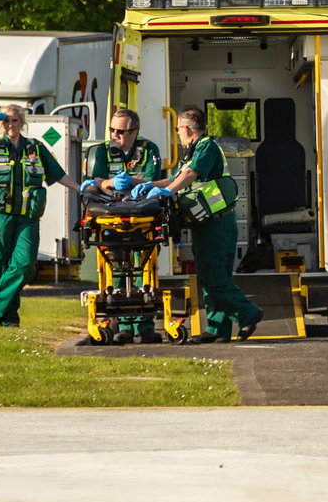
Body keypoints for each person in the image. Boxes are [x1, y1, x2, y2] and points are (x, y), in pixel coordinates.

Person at [132, 106, 262, 343]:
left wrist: (167, 192)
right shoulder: (192, 151)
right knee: (211, 276)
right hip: (207, 224)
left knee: (214, 278)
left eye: (177, 129)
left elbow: (190, 174)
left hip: (217, 225)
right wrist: (150, 185)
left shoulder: (206, 147)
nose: (177, 133)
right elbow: (177, 178)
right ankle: (217, 329)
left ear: (186, 128)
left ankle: (248, 313)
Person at [0, 104, 80, 327]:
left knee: (25, 265)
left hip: (27, 218)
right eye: (5, 121)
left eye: (14, 120)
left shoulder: (36, 147)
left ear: (22, 122)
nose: (10, 125)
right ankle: (8, 320)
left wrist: (81, 189)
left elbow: (58, 175)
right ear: (0, 123)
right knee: (0, 266)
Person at [81, 107, 164, 343]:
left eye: (120, 131)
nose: (115, 135)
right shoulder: (102, 151)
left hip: (142, 215)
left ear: (134, 131)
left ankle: (145, 326)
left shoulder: (149, 149)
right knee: (116, 269)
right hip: (111, 215)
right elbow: (97, 179)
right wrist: (110, 183)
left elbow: (151, 179)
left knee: (145, 270)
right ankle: (124, 325)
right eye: (112, 130)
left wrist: (133, 181)